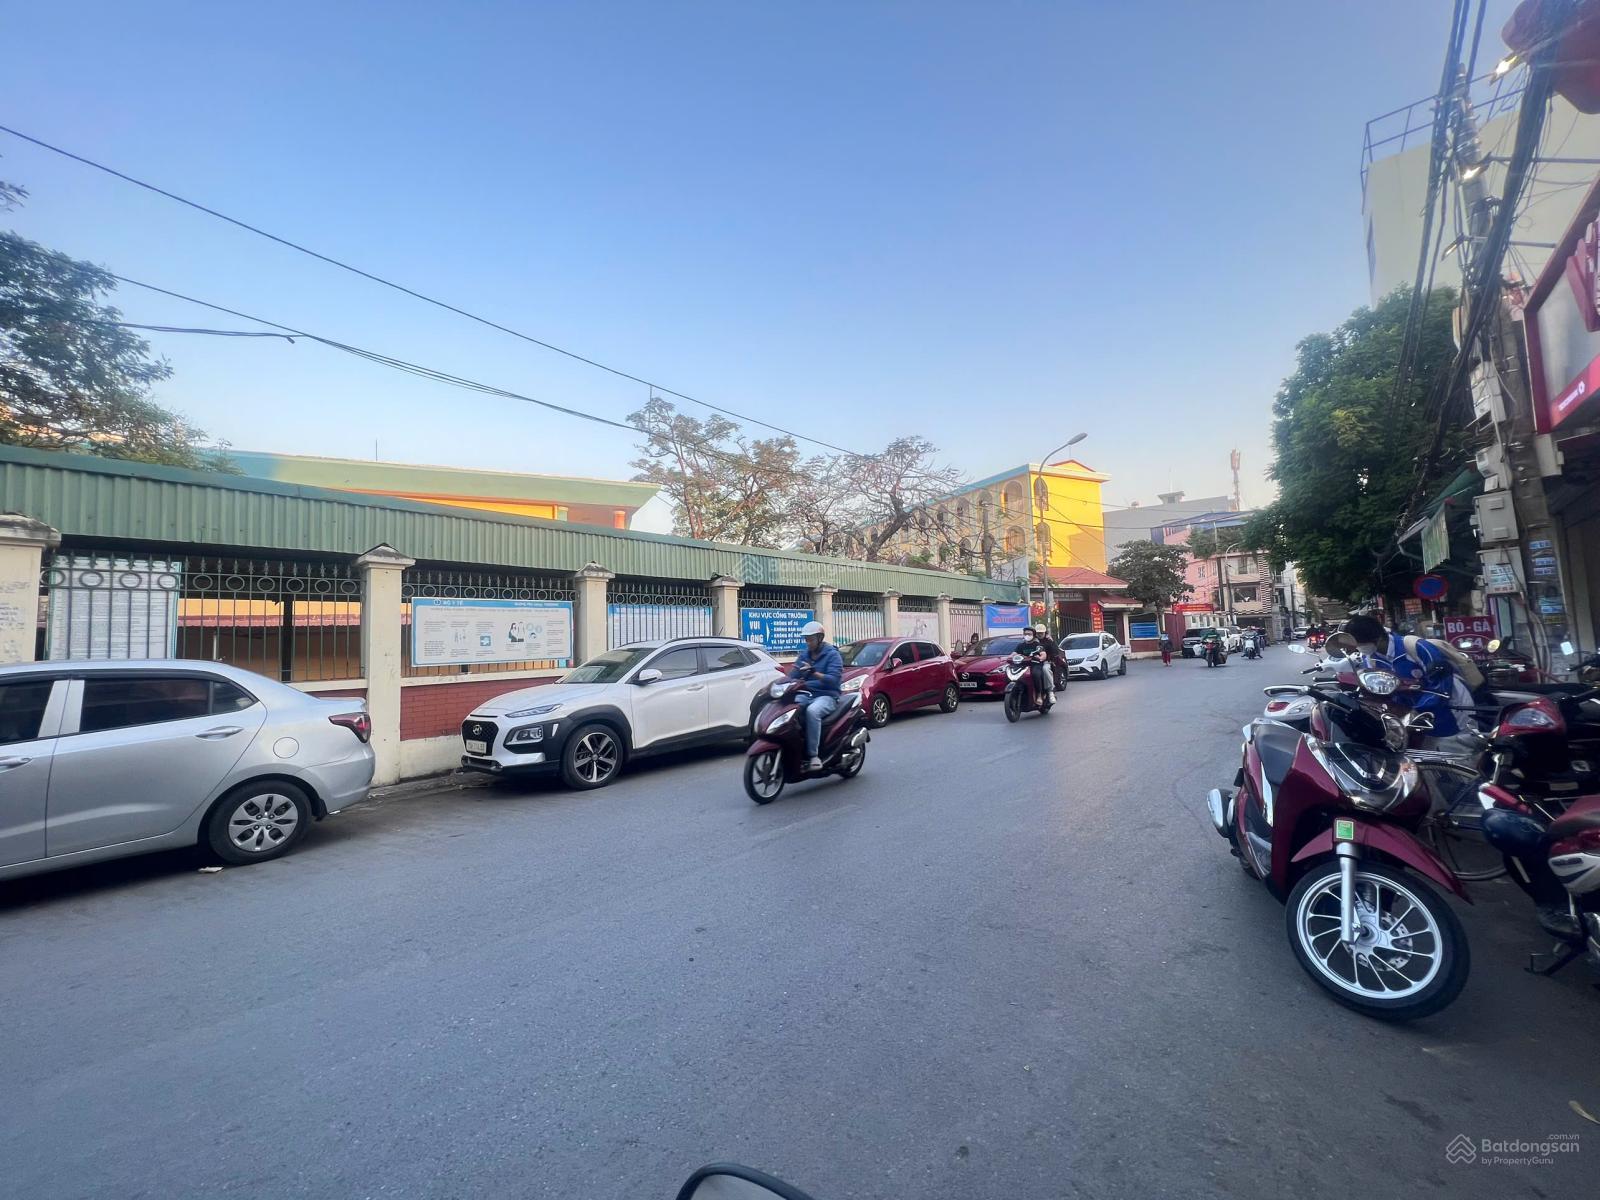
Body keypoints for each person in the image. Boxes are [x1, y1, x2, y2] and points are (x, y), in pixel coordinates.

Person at [1343, 614, 1483, 740]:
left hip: (1451, 709)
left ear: (1377, 638)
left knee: (1462, 749)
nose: (1359, 648)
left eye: (1361, 644)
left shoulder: (1416, 647)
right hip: (1414, 717)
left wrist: (1418, 709)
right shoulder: (1370, 660)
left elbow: (1442, 684)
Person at [787, 620, 843, 771]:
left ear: (820, 638)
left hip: (827, 696)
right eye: (806, 640)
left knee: (813, 711)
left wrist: (813, 672)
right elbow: (793, 675)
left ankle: (813, 755)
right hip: (806, 693)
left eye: (811, 639)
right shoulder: (805, 655)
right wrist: (782, 682)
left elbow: (833, 680)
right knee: (790, 709)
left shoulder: (832, 655)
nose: (808, 643)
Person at [1018, 625, 1054, 707]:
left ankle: (1040, 694)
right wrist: (1010, 657)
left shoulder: (1038, 645)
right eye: (1025, 634)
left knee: (1036, 674)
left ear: (1033, 635)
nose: (1027, 635)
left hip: (1036, 664)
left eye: (1029, 634)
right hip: (1024, 665)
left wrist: (1040, 658)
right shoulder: (1020, 645)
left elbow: (1043, 654)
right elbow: (1014, 654)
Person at [1034, 623, 1063, 692]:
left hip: (1046, 662)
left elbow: (1055, 651)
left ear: (1045, 632)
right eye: (1038, 633)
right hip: (1033, 662)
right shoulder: (1033, 641)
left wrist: (1052, 642)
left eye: (1041, 633)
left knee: (1045, 669)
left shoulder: (1049, 641)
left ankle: (1051, 688)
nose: (1040, 634)